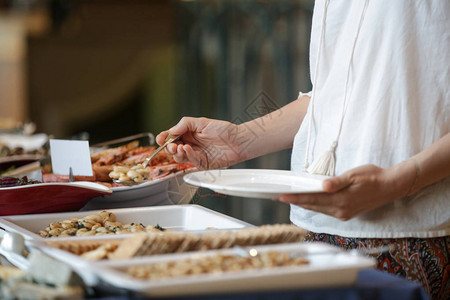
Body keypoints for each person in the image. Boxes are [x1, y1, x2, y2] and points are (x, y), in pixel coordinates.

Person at [156, 1, 449, 299]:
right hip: (316, 230)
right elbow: (333, 96)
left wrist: (400, 181)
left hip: (413, 236)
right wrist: (239, 140)